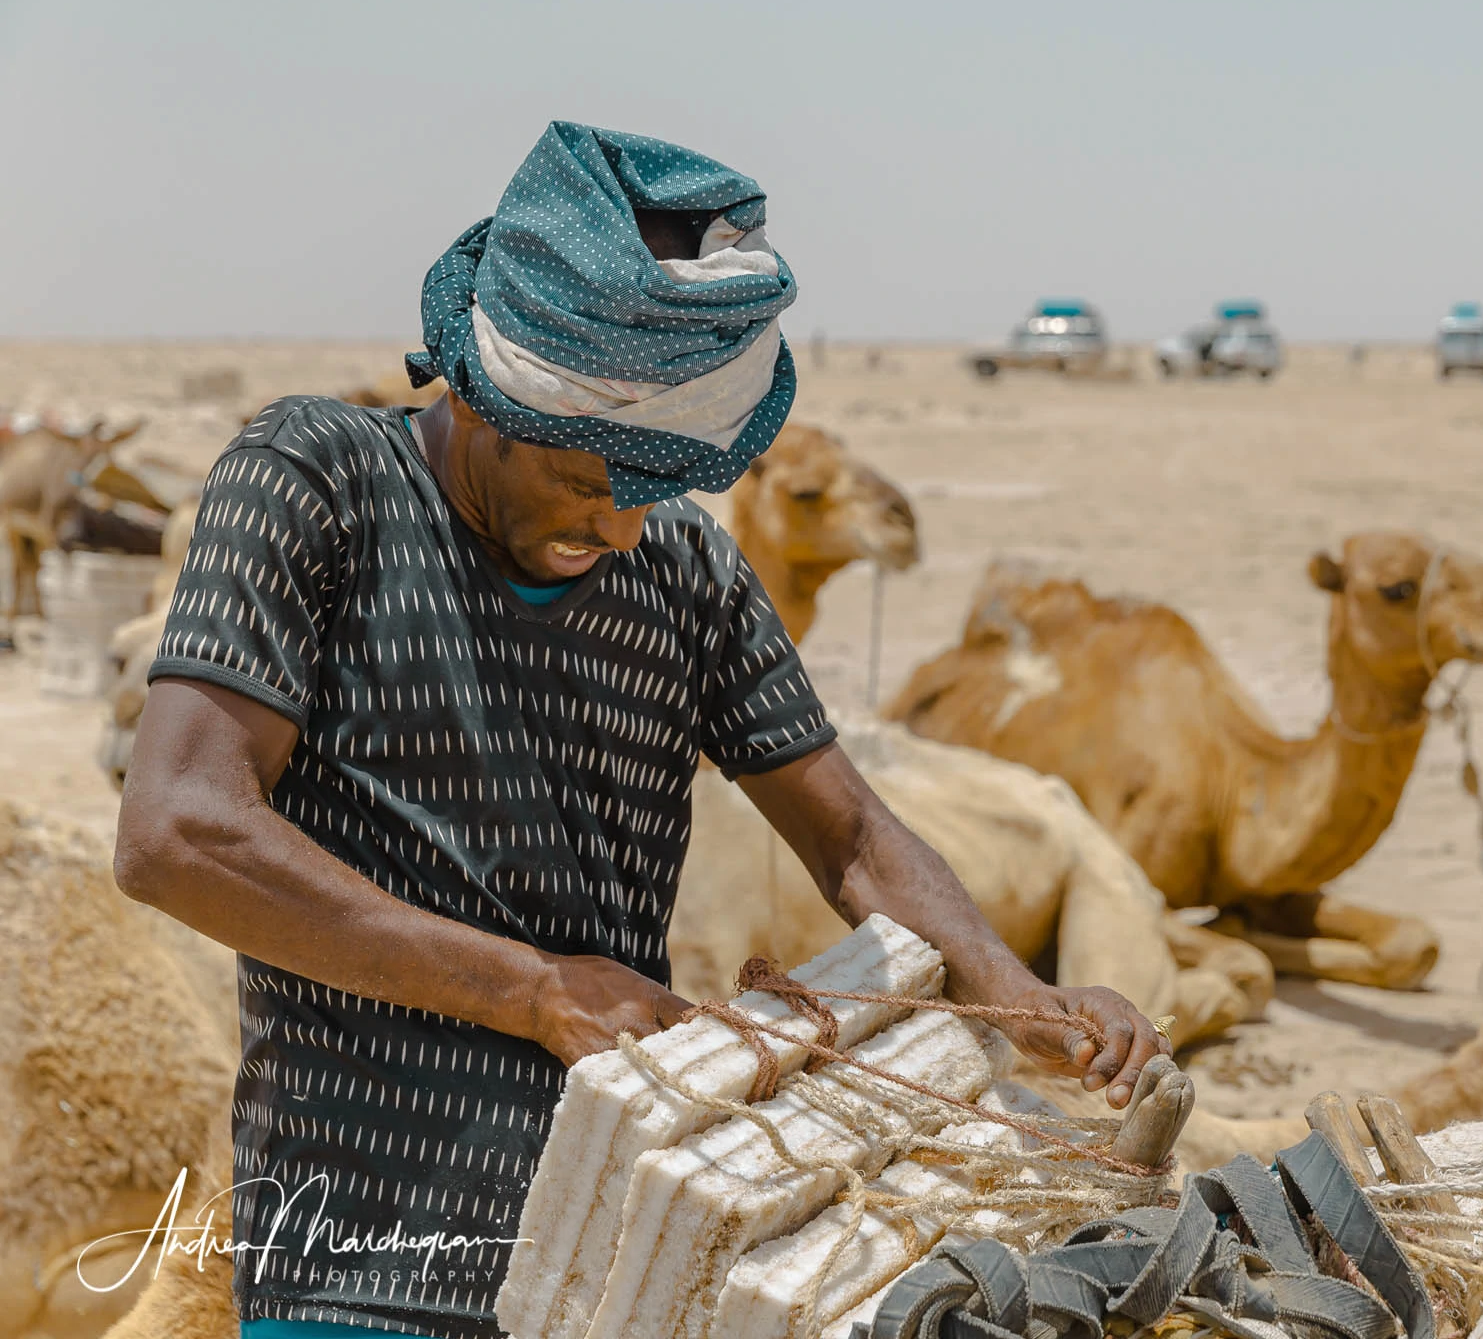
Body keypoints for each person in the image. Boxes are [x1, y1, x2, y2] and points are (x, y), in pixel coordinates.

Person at [113, 122, 1167, 1339]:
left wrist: (1013, 991)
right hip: (365, 1255)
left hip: (622, 1247)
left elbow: (854, 840)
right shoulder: (317, 480)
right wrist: (536, 991)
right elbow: (177, 833)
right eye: (589, 482)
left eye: (654, 487)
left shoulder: (684, 569)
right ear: (488, 396)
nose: (621, 531)